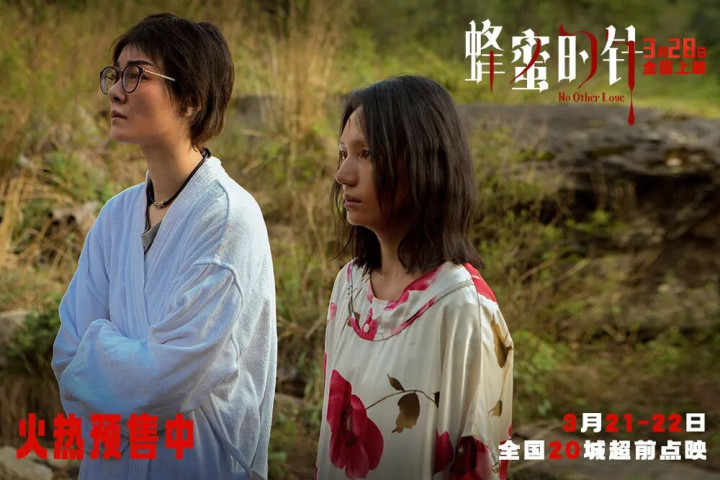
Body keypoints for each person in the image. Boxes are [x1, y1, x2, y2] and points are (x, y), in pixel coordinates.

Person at [51, 13, 276, 479]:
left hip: (195, 461)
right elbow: (68, 355)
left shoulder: (228, 218)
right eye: (115, 75)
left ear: (191, 100)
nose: (116, 91)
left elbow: (171, 379)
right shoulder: (116, 216)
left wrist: (104, 357)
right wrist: (135, 368)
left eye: (137, 75)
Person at [316, 76, 513, 479]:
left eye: (367, 153)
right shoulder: (349, 287)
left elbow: (477, 465)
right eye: (343, 153)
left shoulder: (464, 308)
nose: (343, 174)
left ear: (423, 162)